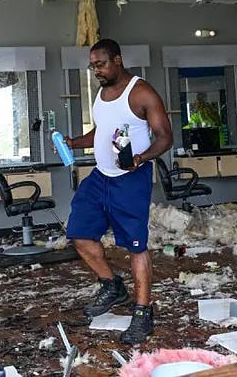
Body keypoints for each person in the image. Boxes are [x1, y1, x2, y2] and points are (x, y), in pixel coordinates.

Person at [62, 38, 173, 344]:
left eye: (101, 64)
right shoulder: (101, 93)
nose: (96, 70)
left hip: (130, 179)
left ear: (118, 60)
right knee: (79, 233)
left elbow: (165, 137)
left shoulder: (141, 92)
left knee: (136, 246)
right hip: (101, 177)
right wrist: (76, 142)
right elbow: (102, 130)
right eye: (93, 65)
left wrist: (142, 157)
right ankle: (112, 285)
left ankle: (142, 312)